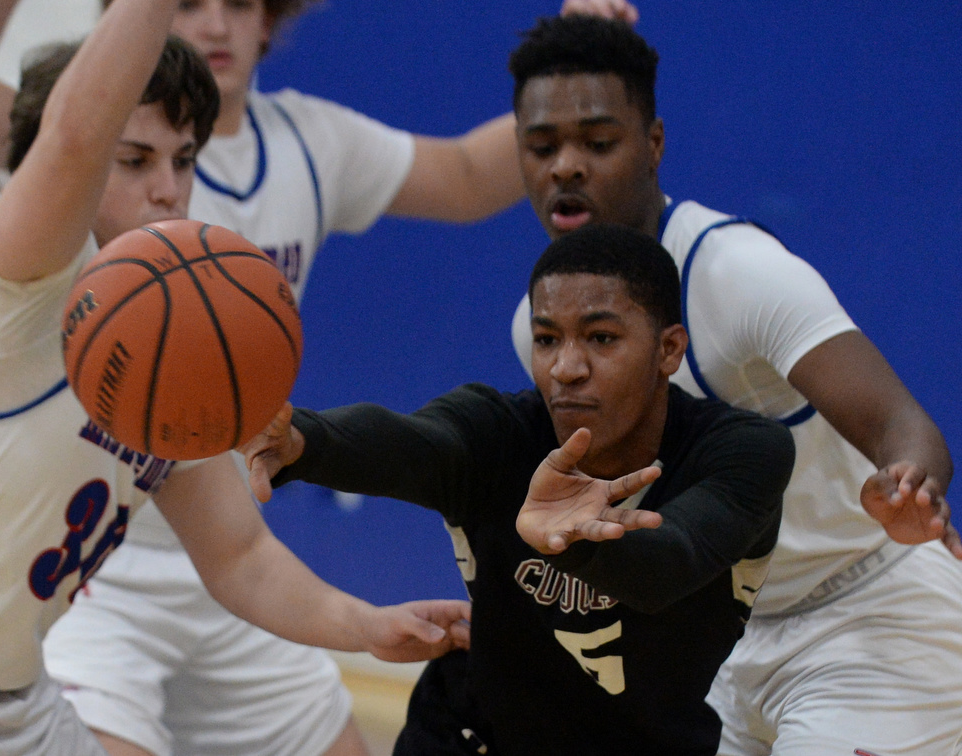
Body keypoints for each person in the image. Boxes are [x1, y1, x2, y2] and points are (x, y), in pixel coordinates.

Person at [44, 1, 623, 754]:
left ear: (270, 22)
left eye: (239, 3)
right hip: (94, 573)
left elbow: (466, 175)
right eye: (186, 1)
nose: (216, 25)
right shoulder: (73, 165)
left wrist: (574, 68)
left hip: (225, 542)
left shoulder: (305, 143)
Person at [0, 0, 471, 752]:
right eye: (133, 160)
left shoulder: (166, 360)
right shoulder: (16, 297)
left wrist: (368, 625)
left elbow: (241, 559)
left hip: (20, 704)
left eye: (184, 160)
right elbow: (71, 137)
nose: (169, 189)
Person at [506, 14, 962, 756]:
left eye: (597, 142)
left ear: (653, 145)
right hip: (723, 646)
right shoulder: (538, 327)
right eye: (542, 146)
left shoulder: (734, 273)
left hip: (870, 617)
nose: (566, 166)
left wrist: (913, 489)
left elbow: (900, 422)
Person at [240, 222, 796, 755]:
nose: (566, 367)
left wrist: (576, 540)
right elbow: (409, 443)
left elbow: (671, 562)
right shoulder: (497, 432)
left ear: (669, 350)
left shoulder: (742, 452)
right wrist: (304, 441)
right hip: (468, 737)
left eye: (601, 338)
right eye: (547, 339)